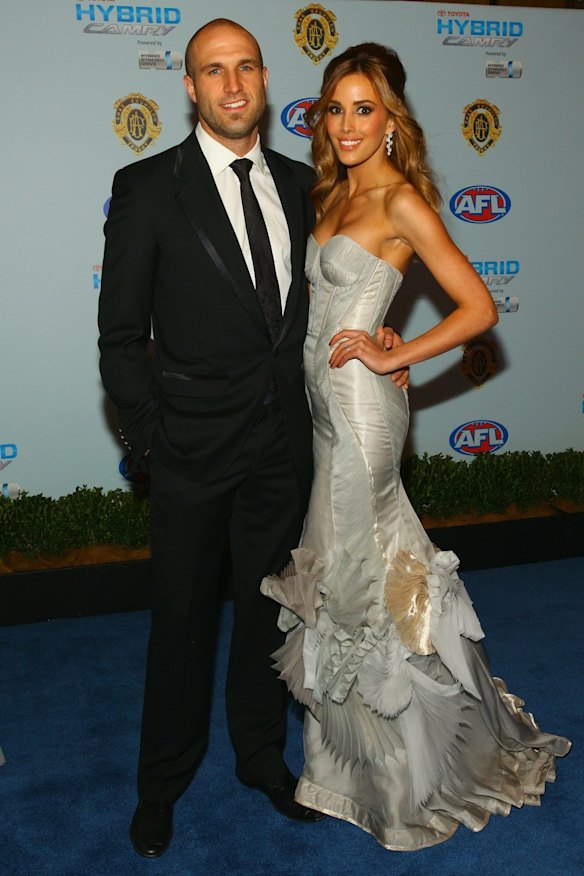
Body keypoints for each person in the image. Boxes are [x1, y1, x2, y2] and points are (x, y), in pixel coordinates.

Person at [98, 19, 406, 859]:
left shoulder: (308, 184)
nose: (232, 85)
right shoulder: (146, 188)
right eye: (213, 71)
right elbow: (121, 339)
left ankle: (262, 759)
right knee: (182, 624)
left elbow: (336, 300)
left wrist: (387, 349)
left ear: (264, 80)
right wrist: (155, 444)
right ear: (191, 88)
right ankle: (160, 783)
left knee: (273, 620)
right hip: (191, 454)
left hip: (284, 452)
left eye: (245, 68)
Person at [261, 43, 571, 851]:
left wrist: (396, 354)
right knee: (351, 572)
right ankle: (354, 762)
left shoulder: (399, 201)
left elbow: (476, 307)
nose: (349, 122)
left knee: (361, 579)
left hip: (364, 414)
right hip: (324, 412)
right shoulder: (330, 191)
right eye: (337, 108)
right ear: (323, 118)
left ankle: (399, 776)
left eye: (366, 109)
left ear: (391, 120)